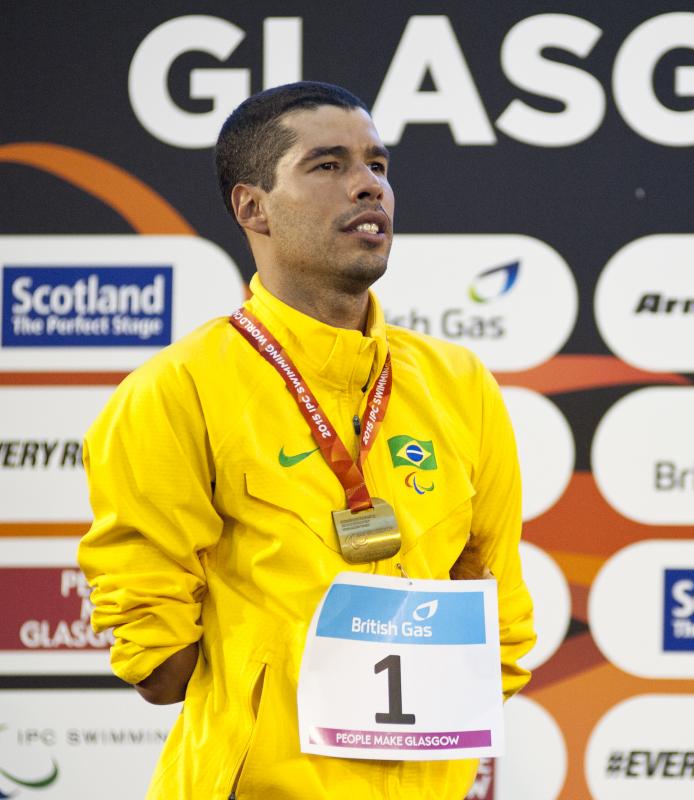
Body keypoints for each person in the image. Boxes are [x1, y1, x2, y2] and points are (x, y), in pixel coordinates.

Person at [77, 81, 535, 799]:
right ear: (252, 207)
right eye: (327, 166)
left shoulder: (460, 381)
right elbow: (158, 661)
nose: (367, 187)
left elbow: (498, 619)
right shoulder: (176, 388)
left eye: (378, 166)